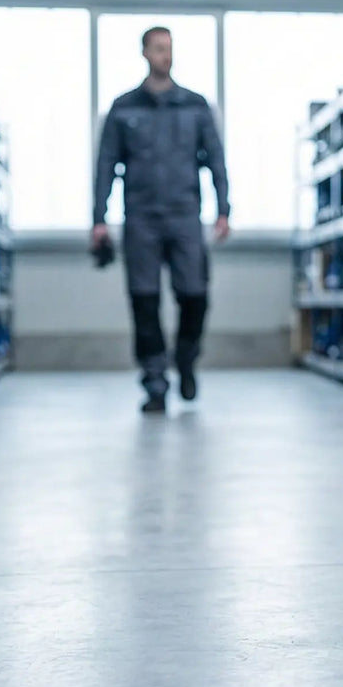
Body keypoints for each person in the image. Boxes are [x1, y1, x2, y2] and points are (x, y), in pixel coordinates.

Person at [92, 26, 231, 414]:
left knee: (195, 296)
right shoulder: (123, 108)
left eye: (169, 49)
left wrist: (224, 209)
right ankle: (155, 382)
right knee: (144, 302)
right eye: (157, 49)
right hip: (141, 219)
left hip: (185, 215)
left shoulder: (195, 106)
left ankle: (185, 358)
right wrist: (99, 218)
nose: (165, 55)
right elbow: (105, 165)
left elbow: (216, 160)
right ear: (144, 53)